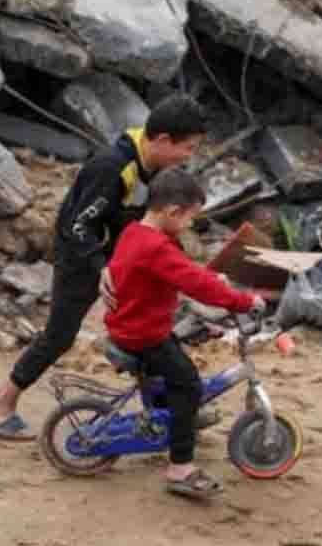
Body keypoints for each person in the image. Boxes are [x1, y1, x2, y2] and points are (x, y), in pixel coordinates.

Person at [0, 94, 218, 440]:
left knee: (149, 326)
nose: (188, 157)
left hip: (120, 255)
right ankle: (0, 405)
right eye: (188, 148)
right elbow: (76, 225)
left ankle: (165, 409)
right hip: (83, 255)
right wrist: (100, 266)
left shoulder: (151, 167)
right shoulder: (112, 167)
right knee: (60, 335)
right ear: (162, 141)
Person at [103, 167, 264, 500]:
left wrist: (211, 283)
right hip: (142, 334)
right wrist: (244, 301)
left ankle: (173, 419)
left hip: (133, 325)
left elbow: (183, 273)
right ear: (172, 212)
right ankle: (180, 468)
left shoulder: (135, 232)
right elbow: (194, 283)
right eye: (190, 219)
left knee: (179, 353)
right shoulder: (156, 248)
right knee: (188, 382)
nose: (191, 225)